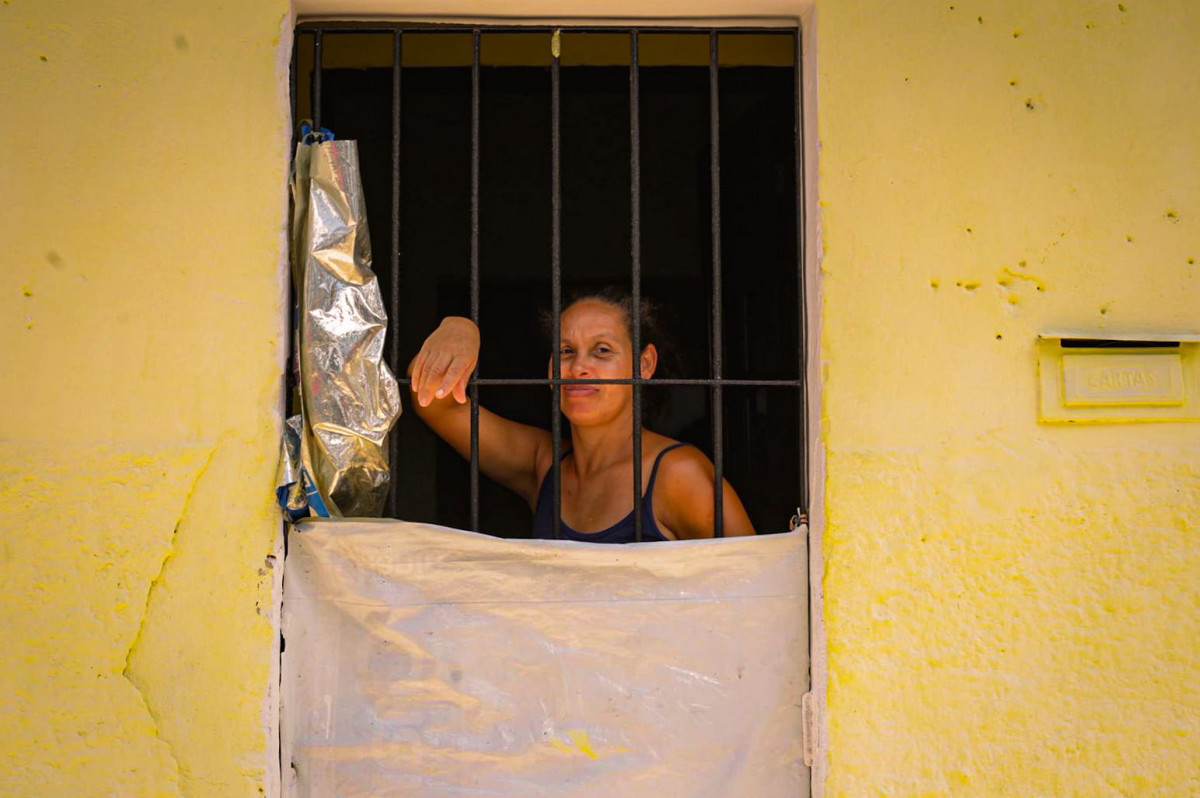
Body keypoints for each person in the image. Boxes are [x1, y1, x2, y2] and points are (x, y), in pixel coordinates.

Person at [408, 290, 755, 542]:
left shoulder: (679, 475)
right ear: (550, 369)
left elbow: (760, 587)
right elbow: (432, 401)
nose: (578, 368)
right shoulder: (544, 464)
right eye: (566, 351)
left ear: (644, 364)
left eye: (602, 350)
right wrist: (459, 328)